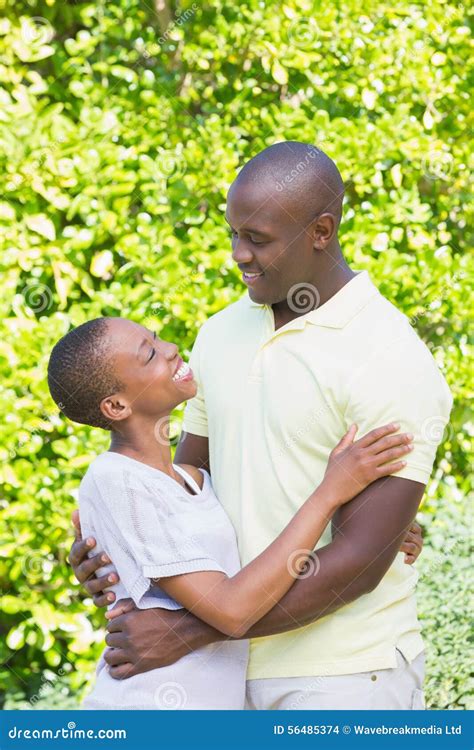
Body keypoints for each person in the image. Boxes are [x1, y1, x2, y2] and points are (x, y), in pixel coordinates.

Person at [70, 142, 452, 710]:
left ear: (321, 231)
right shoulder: (220, 332)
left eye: (259, 240)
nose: (239, 254)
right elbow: (188, 483)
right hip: (219, 679)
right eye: (233, 234)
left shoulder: (390, 358)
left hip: (342, 676)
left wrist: (187, 632)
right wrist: (121, 551)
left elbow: (361, 561)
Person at [48, 317, 413, 709]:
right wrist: (329, 493)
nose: (170, 348)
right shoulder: (114, 479)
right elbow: (233, 610)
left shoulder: (195, 480)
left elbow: (265, 528)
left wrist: (374, 523)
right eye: (150, 354)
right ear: (117, 406)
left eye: (155, 336)